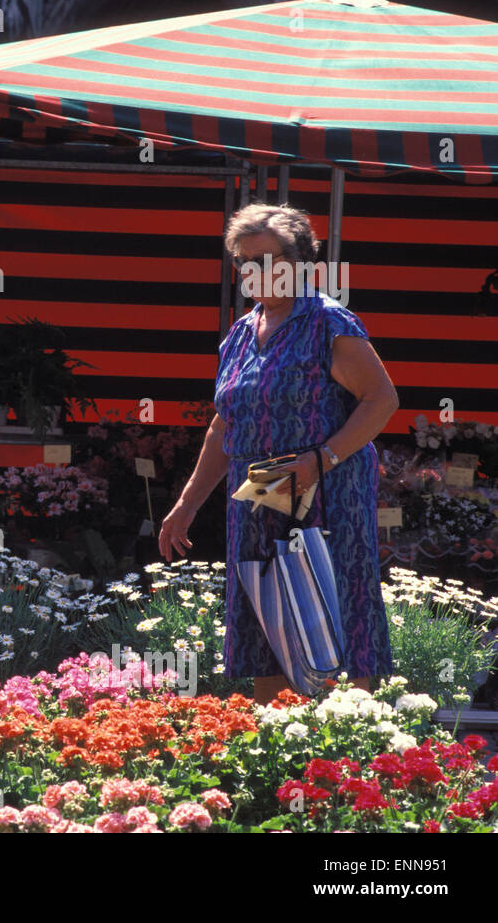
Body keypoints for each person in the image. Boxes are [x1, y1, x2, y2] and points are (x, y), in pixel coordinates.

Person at [158, 203, 397, 705]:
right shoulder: (241, 333)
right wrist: (187, 504)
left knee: (329, 614)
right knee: (268, 616)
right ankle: (276, 747)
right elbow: (226, 423)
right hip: (259, 493)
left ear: (301, 261)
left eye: (267, 260)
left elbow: (382, 400)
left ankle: (343, 751)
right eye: (245, 262)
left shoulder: (329, 322)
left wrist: (321, 459)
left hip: (326, 493)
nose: (255, 272)